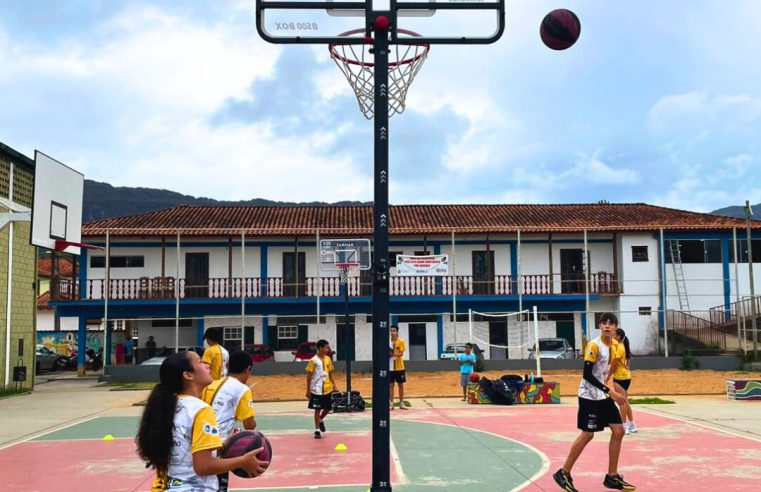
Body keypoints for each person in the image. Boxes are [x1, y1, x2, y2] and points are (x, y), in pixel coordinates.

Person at [135, 351, 267, 491]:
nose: (207, 365)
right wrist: (242, 461)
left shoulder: (170, 406)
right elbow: (203, 466)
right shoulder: (201, 410)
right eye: (200, 362)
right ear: (188, 375)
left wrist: (223, 446)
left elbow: (184, 450)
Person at [553, 313, 636, 492]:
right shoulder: (594, 345)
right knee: (587, 434)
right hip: (589, 395)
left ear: (616, 328)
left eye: (611, 323)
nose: (607, 326)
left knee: (619, 430)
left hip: (603, 395)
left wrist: (609, 379)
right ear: (600, 326)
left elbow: (613, 363)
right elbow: (587, 375)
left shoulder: (616, 345)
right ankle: (563, 472)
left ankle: (612, 477)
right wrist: (610, 391)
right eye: (604, 323)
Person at [201, 350, 257, 492]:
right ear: (248, 369)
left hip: (198, 443)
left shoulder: (211, 384)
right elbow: (249, 424)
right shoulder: (242, 389)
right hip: (217, 448)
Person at [306, 339, 338, 439]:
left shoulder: (328, 359)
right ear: (320, 348)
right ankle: (317, 430)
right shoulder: (313, 360)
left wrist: (334, 384)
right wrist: (308, 389)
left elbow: (330, 373)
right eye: (326, 347)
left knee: (328, 407)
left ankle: (320, 420)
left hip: (327, 388)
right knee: (317, 409)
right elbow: (309, 376)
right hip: (316, 389)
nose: (328, 349)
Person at [611, 328, 637, 435]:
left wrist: (607, 375)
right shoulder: (623, 346)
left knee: (621, 402)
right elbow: (627, 360)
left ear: (618, 336)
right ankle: (632, 425)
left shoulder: (619, 347)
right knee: (625, 401)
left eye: (614, 334)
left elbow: (614, 364)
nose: (613, 336)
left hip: (620, 377)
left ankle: (624, 426)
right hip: (626, 377)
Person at [389, 325, 407, 410]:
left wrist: (393, 354)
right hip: (390, 367)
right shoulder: (387, 342)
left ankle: (401, 403)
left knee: (401, 385)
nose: (392, 332)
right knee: (391, 385)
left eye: (394, 330)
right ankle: (391, 403)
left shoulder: (401, 341)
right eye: (391, 330)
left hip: (400, 367)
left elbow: (401, 354)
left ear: (397, 332)